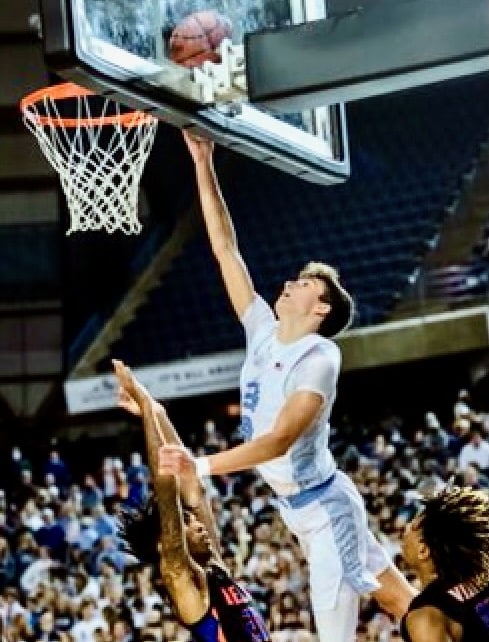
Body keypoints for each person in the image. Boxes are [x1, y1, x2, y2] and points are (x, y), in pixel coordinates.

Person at [157, 131, 416, 642]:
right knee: (400, 601)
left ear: (320, 308)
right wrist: (203, 162)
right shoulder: (261, 329)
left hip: (326, 508)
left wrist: (201, 465)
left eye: (303, 284)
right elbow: (225, 248)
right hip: (297, 508)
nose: (290, 283)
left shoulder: (320, 355)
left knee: (334, 635)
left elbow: (279, 440)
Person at [112, 359, 272, 642]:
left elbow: (189, 480)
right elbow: (166, 482)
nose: (198, 524)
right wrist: (147, 409)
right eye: (187, 522)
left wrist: (156, 409)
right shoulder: (182, 579)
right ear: (167, 542)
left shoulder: (215, 566)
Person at [400, 486, 489, 641]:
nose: (405, 529)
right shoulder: (483, 579)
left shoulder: (427, 616)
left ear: (423, 551)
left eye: (412, 526)